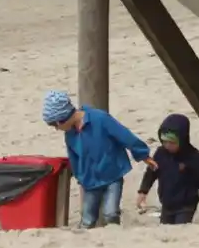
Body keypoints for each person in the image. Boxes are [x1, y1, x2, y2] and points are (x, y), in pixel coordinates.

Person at [41, 90, 154, 229]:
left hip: (113, 175)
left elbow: (124, 135)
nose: (56, 129)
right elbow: (74, 157)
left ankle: (113, 237)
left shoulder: (100, 119)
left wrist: (143, 154)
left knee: (110, 213)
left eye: (55, 125)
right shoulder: (70, 134)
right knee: (87, 218)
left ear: (61, 119)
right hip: (90, 180)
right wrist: (80, 177)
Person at [136, 113, 199, 225]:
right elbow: (151, 173)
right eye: (164, 142)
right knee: (165, 227)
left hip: (186, 205)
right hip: (166, 203)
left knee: (180, 226)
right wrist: (143, 192)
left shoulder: (193, 156)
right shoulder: (160, 153)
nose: (168, 145)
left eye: (172, 142)